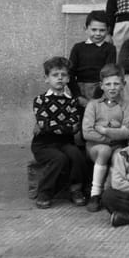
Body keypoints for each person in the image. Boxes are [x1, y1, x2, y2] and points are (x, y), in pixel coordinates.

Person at [31, 57, 87, 209]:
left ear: (68, 79)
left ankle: (75, 189)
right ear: (46, 78)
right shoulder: (40, 100)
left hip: (65, 143)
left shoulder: (72, 101)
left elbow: (74, 126)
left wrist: (53, 125)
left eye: (63, 75)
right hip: (43, 144)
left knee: (76, 155)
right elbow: (43, 123)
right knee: (59, 159)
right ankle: (45, 192)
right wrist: (64, 126)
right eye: (55, 75)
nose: (60, 78)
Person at [82, 64, 129, 212]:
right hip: (94, 147)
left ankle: (110, 193)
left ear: (123, 84)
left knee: (119, 156)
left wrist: (105, 130)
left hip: (117, 147)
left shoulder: (127, 107)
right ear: (101, 85)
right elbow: (87, 132)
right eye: (108, 84)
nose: (112, 88)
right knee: (105, 150)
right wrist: (115, 134)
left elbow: (128, 132)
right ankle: (95, 194)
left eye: (116, 84)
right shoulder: (93, 105)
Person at [68, 11, 116, 108]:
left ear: (108, 30)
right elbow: (70, 73)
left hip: (101, 90)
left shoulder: (110, 49)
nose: (97, 33)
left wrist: (96, 97)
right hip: (80, 90)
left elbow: (108, 74)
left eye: (102, 30)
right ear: (85, 29)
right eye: (94, 30)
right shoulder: (78, 48)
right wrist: (77, 95)